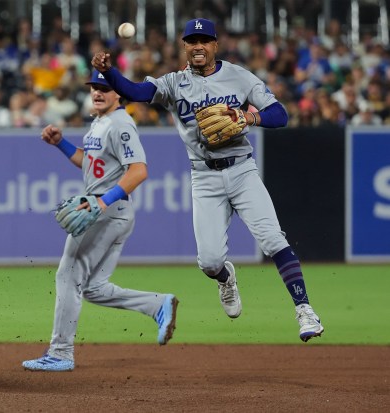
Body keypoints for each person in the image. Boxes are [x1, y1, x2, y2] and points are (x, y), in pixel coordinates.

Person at [91, 18, 324, 342]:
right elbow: (135, 91)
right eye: (191, 40)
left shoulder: (239, 76)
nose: (197, 46)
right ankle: (225, 277)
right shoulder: (174, 82)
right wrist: (109, 72)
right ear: (184, 46)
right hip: (205, 178)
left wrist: (249, 116)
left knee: (273, 239)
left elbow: (279, 113)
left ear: (215, 45)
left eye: (204, 40)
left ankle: (304, 310)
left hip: (242, 170)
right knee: (209, 261)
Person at [22, 70, 179, 372]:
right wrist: (62, 144)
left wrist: (102, 202)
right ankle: (157, 305)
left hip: (106, 209)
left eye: (105, 87)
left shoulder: (120, 124)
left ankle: (60, 352)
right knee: (93, 286)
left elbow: (139, 170)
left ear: (118, 92)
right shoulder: (100, 122)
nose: (97, 92)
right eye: (94, 86)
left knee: (67, 276)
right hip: (111, 209)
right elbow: (92, 164)